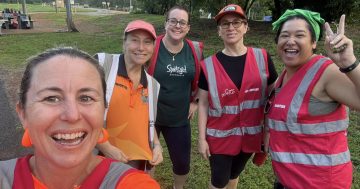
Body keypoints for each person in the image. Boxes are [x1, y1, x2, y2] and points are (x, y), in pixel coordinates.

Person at [0, 47, 160, 188]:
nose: (72, 115)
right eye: (51, 98)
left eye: (86, 98)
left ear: (102, 111)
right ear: (23, 113)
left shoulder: (132, 183)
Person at [267, 9, 359, 189]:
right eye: (284, 35)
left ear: (314, 42)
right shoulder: (284, 76)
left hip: (321, 184)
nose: (290, 40)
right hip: (287, 181)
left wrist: (349, 63)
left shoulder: (326, 72)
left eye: (299, 35)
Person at [197, 4, 278, 189]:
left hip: (250, 136)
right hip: (220, 138)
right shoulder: (208, 66)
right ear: (219, 31)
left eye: (236, 22)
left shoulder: (262, 57)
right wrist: (201, 139)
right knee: (219, 181)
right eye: (225, 24)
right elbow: (202, 104)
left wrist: (268, 132)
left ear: (246, 27)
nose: (231, 27)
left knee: (234, 173)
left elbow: (275, 96)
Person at [147, 5, 204, 189]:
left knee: (182, 164)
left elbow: (203, 79)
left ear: (187, 27)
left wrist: (195, 101)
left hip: (179, 118)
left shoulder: (194, 50)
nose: (177, 26)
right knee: (149, 160)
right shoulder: (151, 46)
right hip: (149, 117)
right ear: (165, 24)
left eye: (182, 22)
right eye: (173, 21)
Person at [95, 20, 163, 172]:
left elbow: (147, 122)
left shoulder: (153, 85)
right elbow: (81, 112)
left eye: (147, 42)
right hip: (100, 159)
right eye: (134, 40)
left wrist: (157, 146)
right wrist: (105, 147)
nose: (141, 48)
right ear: (124, 42)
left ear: (153, 47)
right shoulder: (102, 66)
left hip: (137, 162)